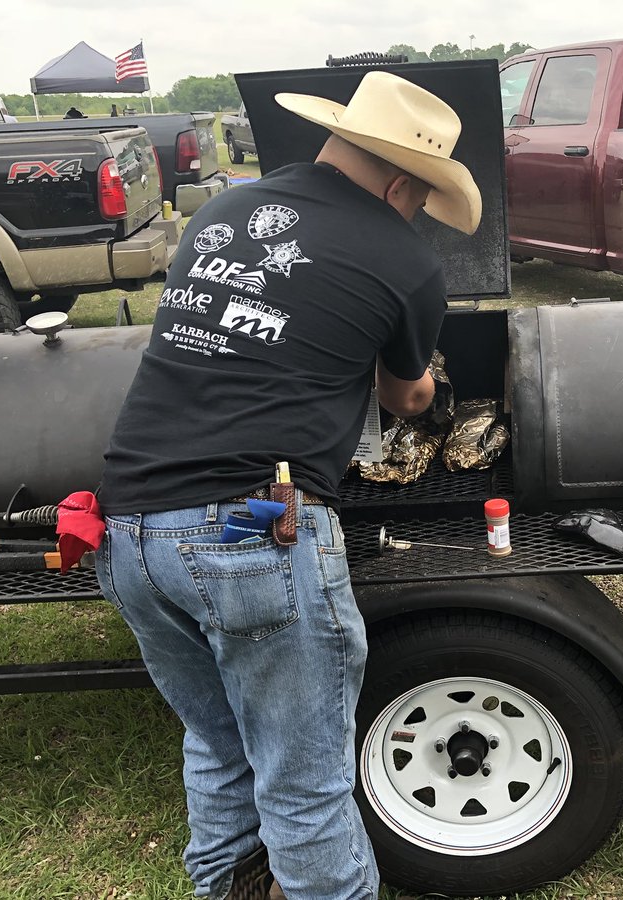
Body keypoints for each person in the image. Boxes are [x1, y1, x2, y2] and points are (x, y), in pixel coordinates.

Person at [94, 70, 480, 900]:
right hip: (247, 532)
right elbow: (405, 395)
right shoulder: (404, 257)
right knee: (306, 790)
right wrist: (432, 389)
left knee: (219, 745)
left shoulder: (226, 209)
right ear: (404, 183)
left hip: (129, 531)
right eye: (416, 200)